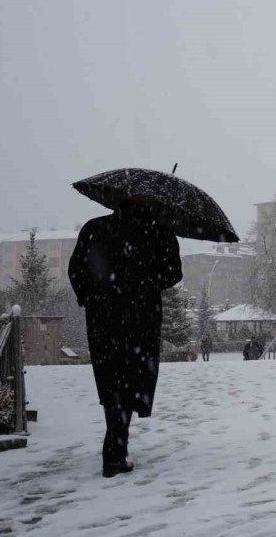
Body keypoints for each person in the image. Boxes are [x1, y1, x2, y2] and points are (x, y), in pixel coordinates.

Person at [68, 198, 182, 478]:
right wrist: (146, 280)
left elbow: (75, 271)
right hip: (141, 317)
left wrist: (91, 297)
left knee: (111, 379)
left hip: (102, 318)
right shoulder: (160, 233)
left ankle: (115, 444)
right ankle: (115, 450)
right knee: (133, 378)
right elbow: (172, 275)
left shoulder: (95, 228)